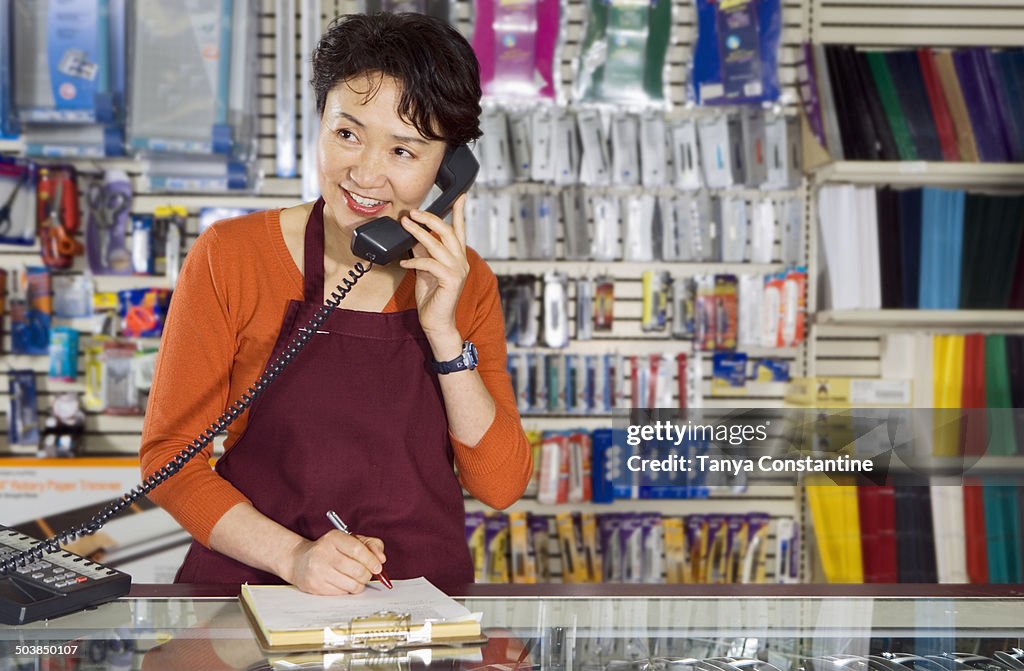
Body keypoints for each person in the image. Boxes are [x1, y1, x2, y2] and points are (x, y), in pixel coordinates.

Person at [139, 12, 532, 595]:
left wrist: (445, 335)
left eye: (405, 151)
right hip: (253, 594)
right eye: (347, 134)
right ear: (320, 123)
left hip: (415, 607)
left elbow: (500, 485)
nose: (366, 173)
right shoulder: (233, 255)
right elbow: (169, 461)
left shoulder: (467, 283)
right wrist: (294, 557)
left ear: (452, 169)